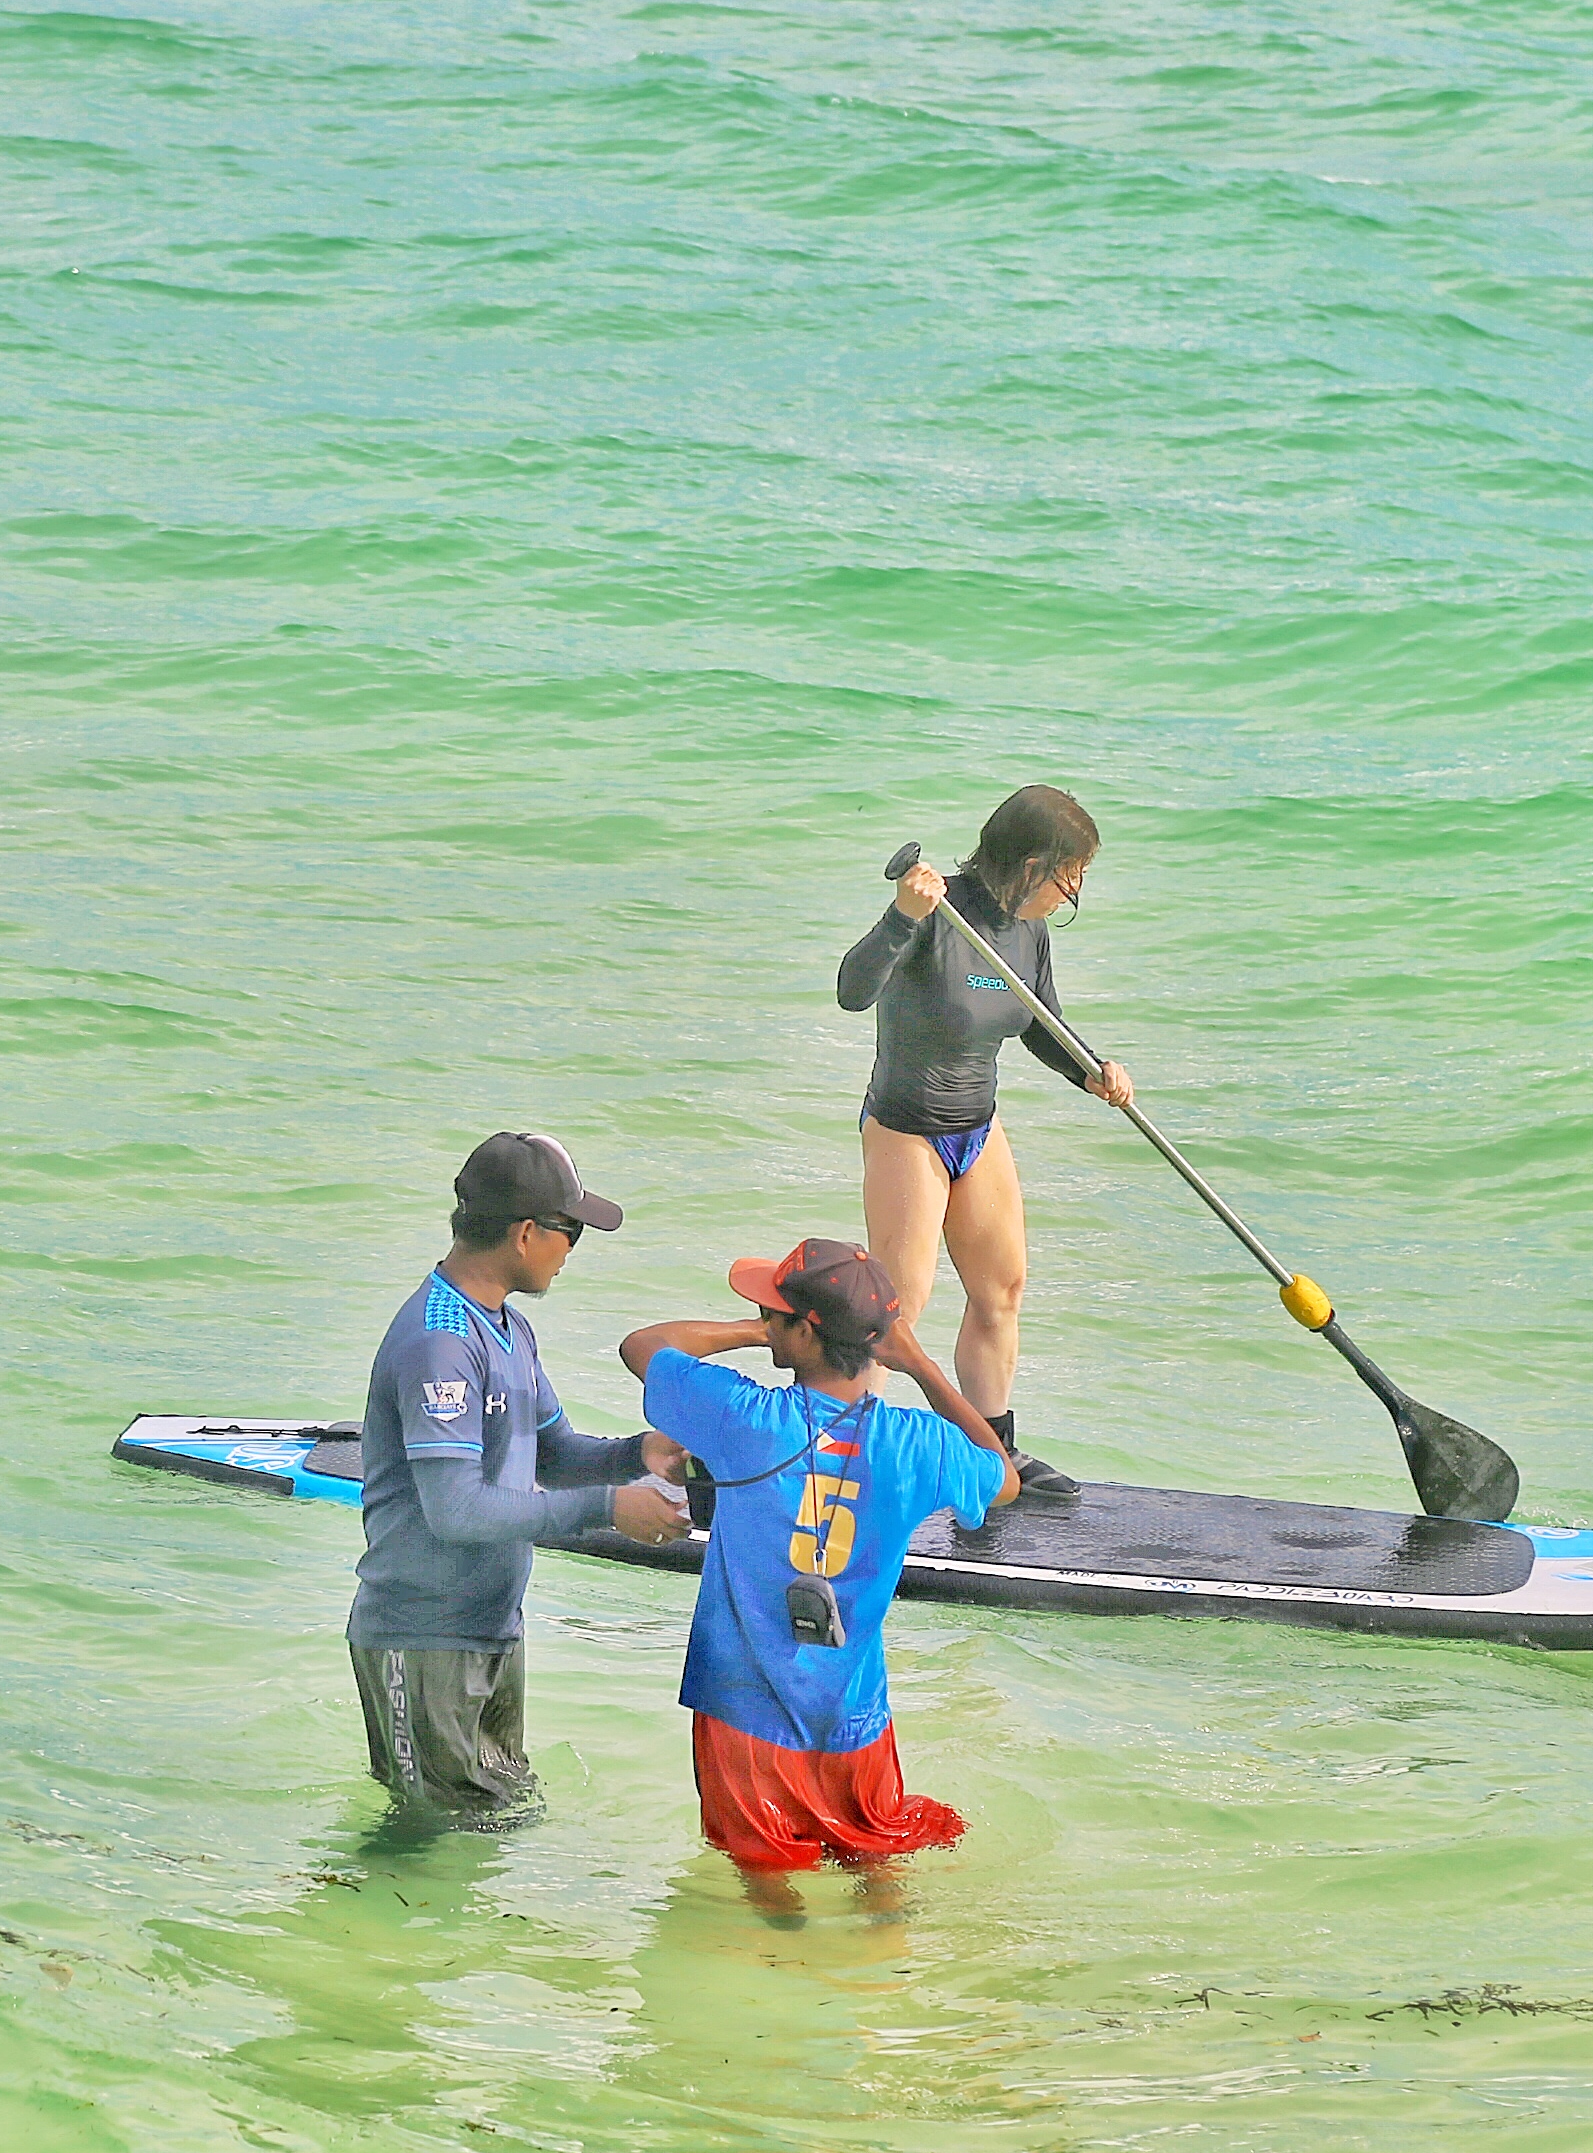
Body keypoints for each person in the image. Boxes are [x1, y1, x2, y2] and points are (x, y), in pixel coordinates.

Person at [617, 1238, 1017, 1880]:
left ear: (804, 1332)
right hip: (855, 1716)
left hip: (743, 1712)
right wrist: (921, 1366)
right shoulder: (916, 1442)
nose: (764, 1319)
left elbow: (643, 1345)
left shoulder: (744, 1418)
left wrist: (754, 1334)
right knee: (876, 1868)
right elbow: (1004, 1478)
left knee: (766, 1881)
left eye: (774, 1313)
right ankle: (888, 1948)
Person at [347, 1131, 690, 1827]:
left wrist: (642, 1453)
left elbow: (554, 1453)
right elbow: (456, 1511)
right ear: (526, 1233)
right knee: (430, 1835)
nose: (572, 1252)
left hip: (492, 1629)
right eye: (571, 1233)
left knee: (498, 1820)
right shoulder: (440, 1342)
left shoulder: (509, 1329)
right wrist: (609, 1508)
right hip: (424, 1637)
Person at [835, 782, 1132, 1501]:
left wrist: (1091, 1070)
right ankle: (844, 1453)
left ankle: (994, 1451)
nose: (1071, 894)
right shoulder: (936, 914)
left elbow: (1041, 1024)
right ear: (1032, 866)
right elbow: (852, 990)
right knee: (897, 1306)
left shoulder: (1030, 934)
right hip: (907, 1128)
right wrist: (901, 917)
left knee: (1001, 1289)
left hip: (978, 1128)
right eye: (1070, 878)